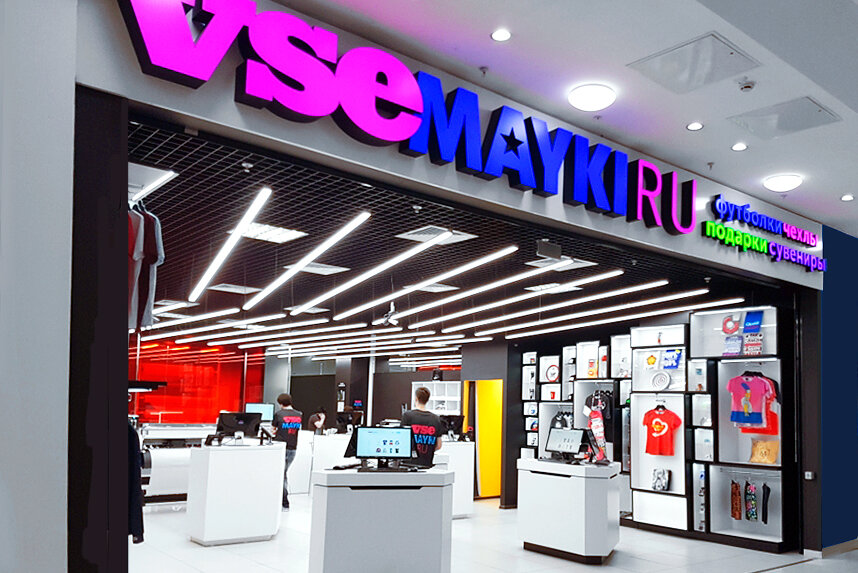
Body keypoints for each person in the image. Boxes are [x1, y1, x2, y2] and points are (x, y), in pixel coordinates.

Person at [271, 393, 302, 510]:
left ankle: (284, 500)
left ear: (280, 403)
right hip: (293, 448)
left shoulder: (278, 414)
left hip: (281, 447)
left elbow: (273, 430)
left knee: (281, 474)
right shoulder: (299, 414)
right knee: (283, 473)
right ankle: (283, 499)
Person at [400, 386, 444, 466]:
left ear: (416, 399)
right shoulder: (436, 419)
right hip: (426, 463)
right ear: (427, 400)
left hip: (408, 464)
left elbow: (402, 440)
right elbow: (438, 445)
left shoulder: (407, 416)